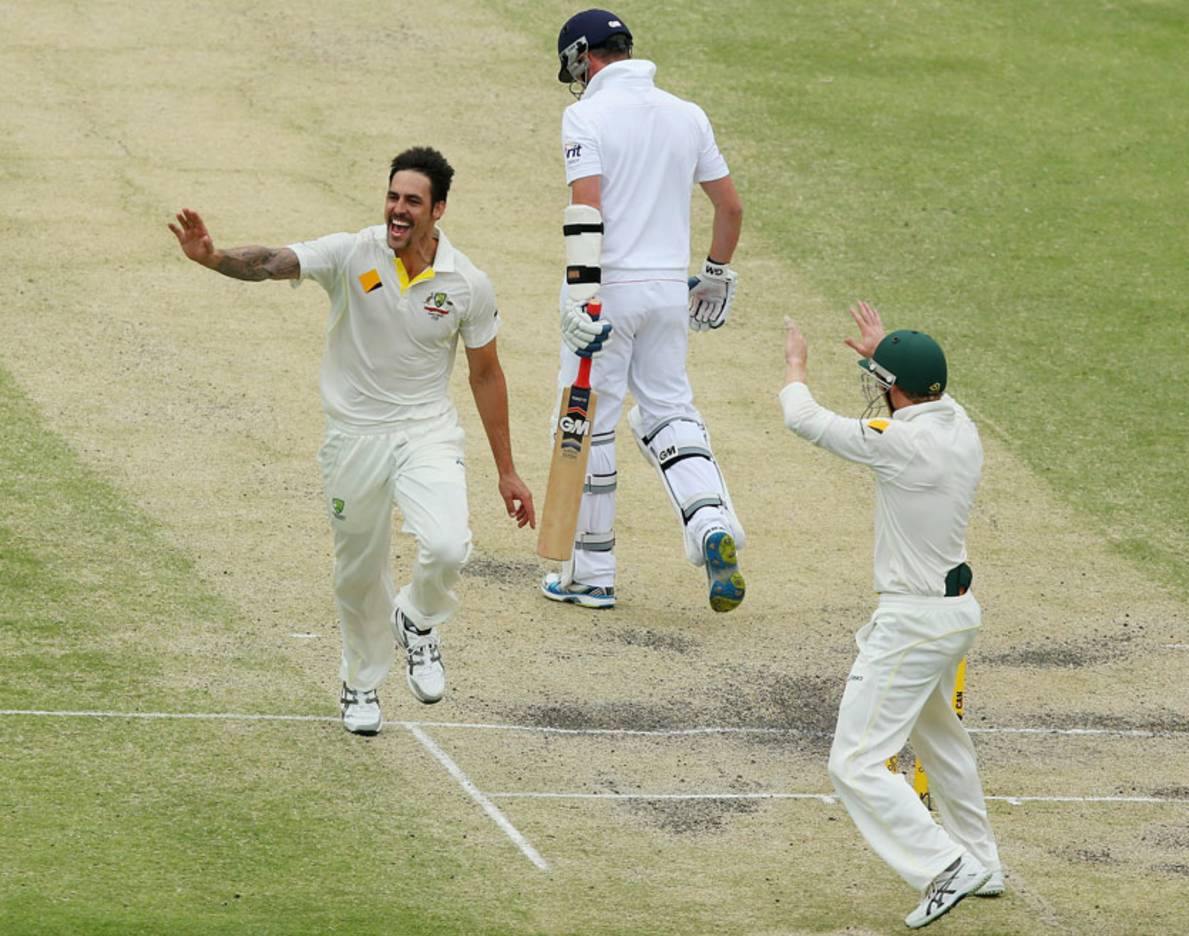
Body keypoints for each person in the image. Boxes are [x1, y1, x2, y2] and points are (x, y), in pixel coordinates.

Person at [168, 147, 535, 736]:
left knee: (446, 545)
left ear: (437, 210)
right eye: (393, 197)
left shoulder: (467, 283)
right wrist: (214, 258)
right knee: (358, 574)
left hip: (426, 433)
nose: (397, 210)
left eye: (412, 201)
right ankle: (362, 685)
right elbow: (270, 261)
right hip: (354, 438)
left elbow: (486, 375)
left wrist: (507, 471)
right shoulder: (351, 253)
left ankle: (416, 620)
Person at [779, 303, 1003, 929]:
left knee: (852, 763)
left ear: (896, 389)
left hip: (912, 625)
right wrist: (888, 355)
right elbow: (918, 390)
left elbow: (805, 420)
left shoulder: (898, 444)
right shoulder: (961, 424)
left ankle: (946, 865)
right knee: (941, 740)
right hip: (954, 615)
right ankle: (982, 860)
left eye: (883, 382)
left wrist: (797, 367)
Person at [543, 8, 747, 612]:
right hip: (665, 295)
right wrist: (713, 275)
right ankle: (711, 525)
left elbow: (587, 211)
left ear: (584, 57)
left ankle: (592, 575)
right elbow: (730, 208)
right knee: (669, 412)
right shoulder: (689, 115)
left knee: (590, 422)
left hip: (606, 289)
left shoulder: (584, 115)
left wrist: (583, 297)